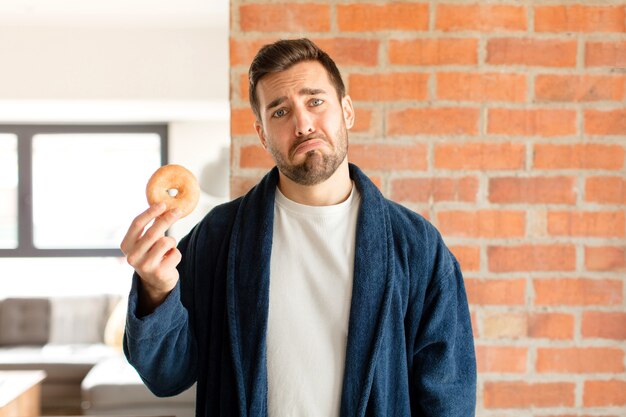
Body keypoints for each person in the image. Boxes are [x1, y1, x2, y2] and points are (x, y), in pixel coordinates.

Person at [121, 38, 476, 416]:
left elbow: (447, 398)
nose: (302, 123)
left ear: (347, 111)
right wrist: (156, 292)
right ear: (262, 134)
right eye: (280, 112)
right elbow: (166, 376)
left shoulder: (417, 246)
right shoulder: (217, 237)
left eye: (315, 101)